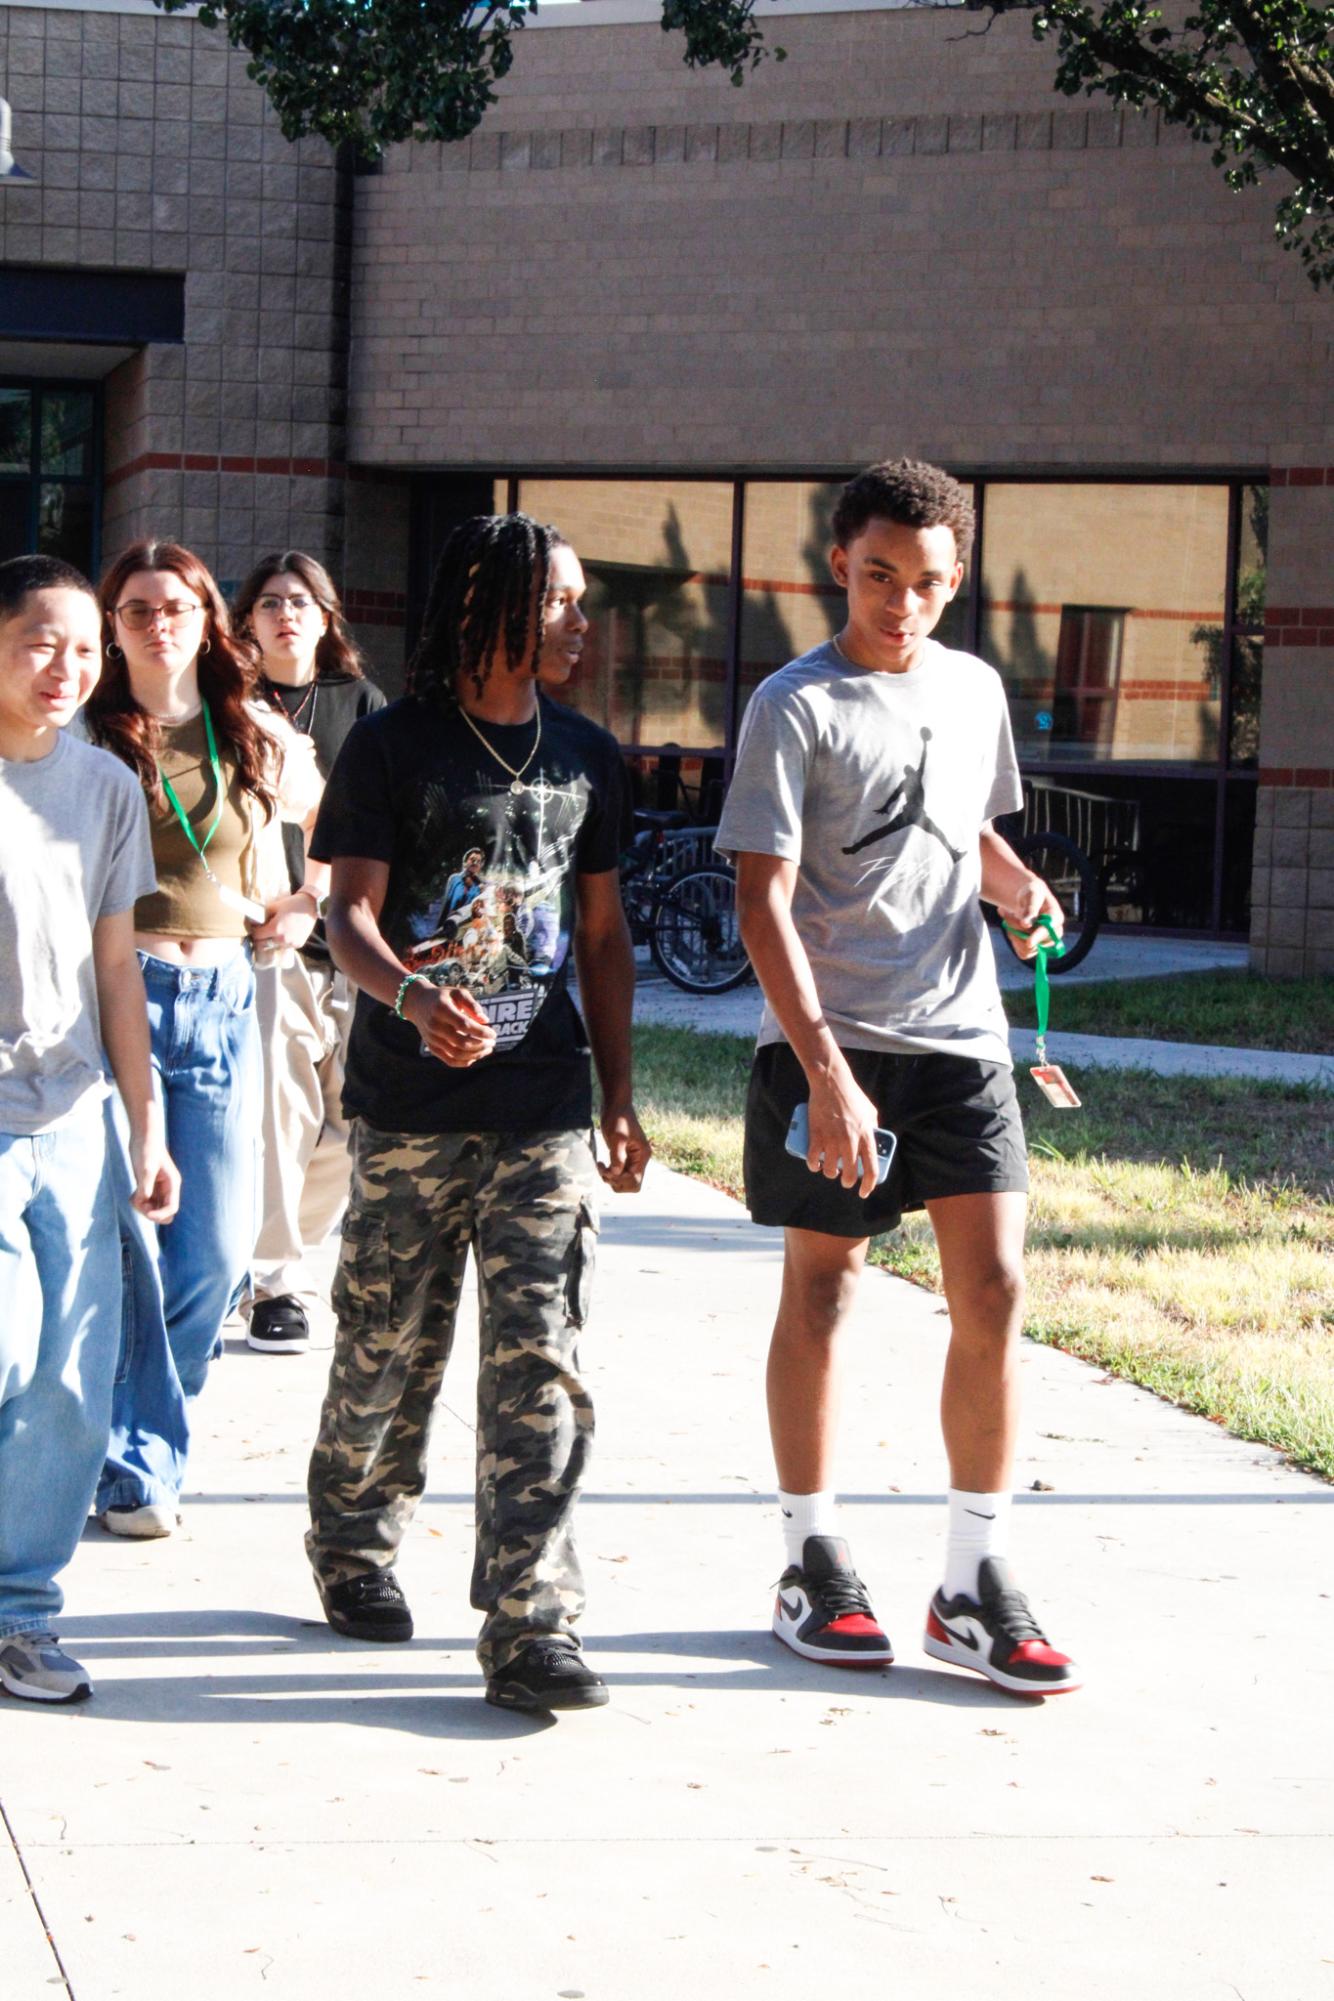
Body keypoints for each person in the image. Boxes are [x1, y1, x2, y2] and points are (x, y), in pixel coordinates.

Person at [716, 460, 1080, 1697]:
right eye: (879, 577)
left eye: (926, 583)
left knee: (994, 1289)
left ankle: (972, 1579)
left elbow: (954, 825)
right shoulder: (792, 704)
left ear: (953, 580)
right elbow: (758, 892)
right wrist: (821, 1071)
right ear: (837, 566)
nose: (901, 604)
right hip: (831, 1043)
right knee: (823, 1295)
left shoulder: (973, 689)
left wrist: (1014, 884)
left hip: (960, 1038)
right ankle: (808, 1556)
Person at [305, 512, 650, 1713]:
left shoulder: (589, 759)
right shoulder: (393, 749)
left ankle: (531, 1624)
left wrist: (617, 1094)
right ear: (485, 607)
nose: (576, 622)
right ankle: (352, 1546)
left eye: (577, 601)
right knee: (387, 1344)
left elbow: (601, 938)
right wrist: (411, 993)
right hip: (408, 1108)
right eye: (555, 601)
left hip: (542, 1105)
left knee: (540, 1362)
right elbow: (346, 919)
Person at [85, 539, 320, 1539]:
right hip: (109, 996)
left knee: (215, 1254)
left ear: (205, 618)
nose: (156, 624)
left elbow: (344, 831)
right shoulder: (85, 737)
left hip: (222, 991)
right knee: (124, 1248)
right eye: (135, 610)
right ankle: (137, 1465)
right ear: (112, 626)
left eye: (174, 606)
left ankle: (134, 1436)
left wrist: (306, 901)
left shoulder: (254, 732)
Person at [0, 555, 178, 1704]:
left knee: (67, 1380)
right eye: (35, 642)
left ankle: (20, 1613)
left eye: (80, 646)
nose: (64, 666)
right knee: (8, 1350)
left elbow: (119, 969)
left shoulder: (109, 785)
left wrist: (145, 1123)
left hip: (75, 1121)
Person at [231, 551, 386, 1355]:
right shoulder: (230, 705)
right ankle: (275, 1283)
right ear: (248, 621)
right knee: (280, 1114)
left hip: (349, 940)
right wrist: (279, 912)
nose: (284, 613)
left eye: (300, 601)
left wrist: (310, 900)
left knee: (345, 1124)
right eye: (268, 602)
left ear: (327, 617)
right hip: (263, 948)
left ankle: (265, 1257)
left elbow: (367, 821)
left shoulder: (364, 706)